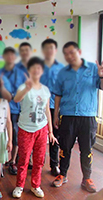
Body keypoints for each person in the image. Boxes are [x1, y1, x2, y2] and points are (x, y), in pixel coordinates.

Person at [52, 41, 103, 193]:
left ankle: (86, 178)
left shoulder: (94, 69)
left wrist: (101, 76)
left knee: (86, 148)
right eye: (66, 54)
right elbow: (58, 95)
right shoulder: (63, 73)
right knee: (65, 147)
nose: (69, 56)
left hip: (87, 116)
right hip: (67, 115)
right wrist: (56, 115)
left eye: (71, 52)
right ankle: (62, 174)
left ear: (79, 51)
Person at [12, 57, 58, 198]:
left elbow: (47, 112)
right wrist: (26, 87)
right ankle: (19, 186)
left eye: (39, 68)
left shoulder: (45, 90)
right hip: (26, 129)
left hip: (41, 129)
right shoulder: (23, 87)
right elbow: (16, 99)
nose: (36, 71)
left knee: (39, 160)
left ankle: (35, 186)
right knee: (23, 160)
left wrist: (50, 131)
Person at [0, 47, 26, 176]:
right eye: (7, 55)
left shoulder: (21, 73)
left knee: (15, 134)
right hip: (0, 108)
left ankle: (13, 160)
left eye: (12, 55)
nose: (10, 57)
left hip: (16, 108)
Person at [40, 39, 64, 176]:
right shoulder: (38, 67)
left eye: (52, 48)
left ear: (55, 50)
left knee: (55, 136)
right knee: (39, 135)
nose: (49, 50)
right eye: (47, 48)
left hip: (56, 107)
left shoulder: (62, 68)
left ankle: (54, 165)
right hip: (40, 107)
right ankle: (37, 161)